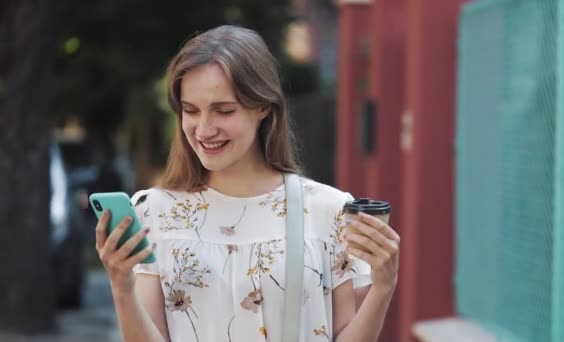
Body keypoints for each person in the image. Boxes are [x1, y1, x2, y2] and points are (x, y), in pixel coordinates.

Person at [95, 25, 400, 342]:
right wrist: (121, 286)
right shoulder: (155, 214)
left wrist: (383, 287)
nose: (203, 130)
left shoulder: (329, 212)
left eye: (223, 111)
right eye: (190, 111)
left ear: (264, 107)